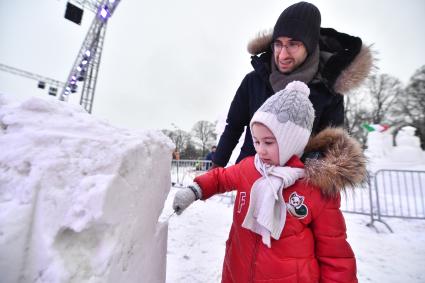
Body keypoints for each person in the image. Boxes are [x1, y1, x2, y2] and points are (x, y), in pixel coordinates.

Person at [172, 81, 366, 282]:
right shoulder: (249, 168)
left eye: (268, 142)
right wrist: (195, 190)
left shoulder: (315, 188)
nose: (260, 149)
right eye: (256, 141)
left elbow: (335, 255)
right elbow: (220, 177)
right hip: (238, 272)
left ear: (292, 141)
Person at [212, 1, 373, 168]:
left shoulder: (328, 90)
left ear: (309, 47)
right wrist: (215, 170)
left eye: (293, 44)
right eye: (278, 44)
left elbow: (330, 146)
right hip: (249, 177)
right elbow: (233, 127)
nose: (282, 55)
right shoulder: (254, 81)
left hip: (296, 187)